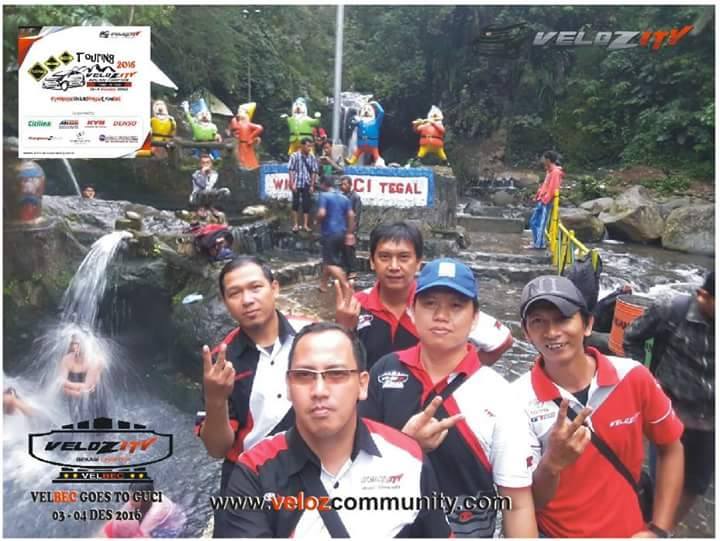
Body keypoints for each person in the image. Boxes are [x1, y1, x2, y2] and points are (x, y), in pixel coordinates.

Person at [215, 322, 451, 538]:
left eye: (337, 374)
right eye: (304, 375)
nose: (319, 391)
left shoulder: (408, 458)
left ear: (362, 384)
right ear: (288, 387)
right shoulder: (254, 473)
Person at [360, 259, 537, 537]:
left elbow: (516, 502)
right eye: (430, 303)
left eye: (456, 306)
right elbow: (352, 466)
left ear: (475, 317)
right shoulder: (384, 372)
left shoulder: (498, 394)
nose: (441, 315)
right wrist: (407, 446)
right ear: (412, 310)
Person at [512, 275, 684, 538]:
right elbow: (523, 503)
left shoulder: (633, 377)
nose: (552, 332)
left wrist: (659, 529)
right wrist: (551, 464)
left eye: (563, 318)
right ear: (526, 333)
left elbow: (671, 446)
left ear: (588, 324)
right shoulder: (516, 400)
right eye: (538, 321)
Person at [196, 257, 311, 493]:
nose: (247, 300)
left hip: (313, 465)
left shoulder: (311, 337)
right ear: (225, 302)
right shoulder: (221, 362)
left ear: (274, 288)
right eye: (235, 293)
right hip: (251, 477)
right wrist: (215, 399)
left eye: (256, 287)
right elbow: (217, 449)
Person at [336, 222, 513, 370]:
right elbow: (336, 361)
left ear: (418, 263)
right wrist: (344, 327)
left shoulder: (435, 304)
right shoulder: (355, 305)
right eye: (384, 257)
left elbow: (501, 341)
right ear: (372, 262)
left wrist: (457, 377)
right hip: (370, 399)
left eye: (404, 257)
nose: (394, 266)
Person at [624, 271, 714, 523]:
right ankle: (651, 525)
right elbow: (632, 339)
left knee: (696, 484)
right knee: (661, 482)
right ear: (703, 296)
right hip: (670, 414)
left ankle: (666, 529)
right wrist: (647, 383)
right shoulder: (671, 309)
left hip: (710, 422)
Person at [99, 482, 186, 538]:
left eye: (134, 499)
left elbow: (142, 535)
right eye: (130, 496)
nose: (130, 501)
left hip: (170, 527)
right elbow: (117, 517)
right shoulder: (137, 499)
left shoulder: (156, 511)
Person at [316, 176, 354, 293]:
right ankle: (323, 285)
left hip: (330, 232)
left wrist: (317, 221)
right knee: (329, 260)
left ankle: (346, 286)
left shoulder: (324, 196)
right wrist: (349, 233)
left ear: (323, 185)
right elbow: (351, 215)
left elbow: (321, 213)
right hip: (342, 233)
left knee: (330, 263)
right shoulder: (344, 198)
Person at [59, 334, 106, 420]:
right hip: (75, 397)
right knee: (76, 421)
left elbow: (88, 386)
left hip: (95, 396)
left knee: (99, 421)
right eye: (73, 343)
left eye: (78, 343)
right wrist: (78, 393)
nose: (75, 346)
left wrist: (66, 384)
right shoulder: (66, 359)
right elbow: (61, 386)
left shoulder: (95, 360)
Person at [528, 150, 564, 249]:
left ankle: (539, 244)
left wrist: (545, 200)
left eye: (543, 158)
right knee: (534, 221)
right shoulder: (549, 171)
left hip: (546, 202)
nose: (542, 160)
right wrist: (538, 195)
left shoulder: (555, 172)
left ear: (548, 160)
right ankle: (537, 242)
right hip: (542, 199)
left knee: (541, 223)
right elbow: (545, 185)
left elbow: (553, 188)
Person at [287, 137, 319, 233]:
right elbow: (291, 170)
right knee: (295, 203)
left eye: (310, 146)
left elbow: (314, 171)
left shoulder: (312, 157)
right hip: (297, 182)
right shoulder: (294, 156)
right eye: (308, 146)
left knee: (306, 204)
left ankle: (305, 225)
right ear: (302, 146)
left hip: (306, 182)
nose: (309, 148)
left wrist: (312, 185)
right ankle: (295, 224)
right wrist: (292, 183)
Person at [339, 175, 361, 280]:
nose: (342, 186)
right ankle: (346, 269)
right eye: (341, 184)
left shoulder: (355, 197)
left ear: (350, 185)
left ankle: (353, 270)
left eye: (345, 184)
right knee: (343, 249)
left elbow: (357, 214)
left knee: (350, 249)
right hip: (342, 226)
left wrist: (353, 230)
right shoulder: (341, 196)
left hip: (350, 227)